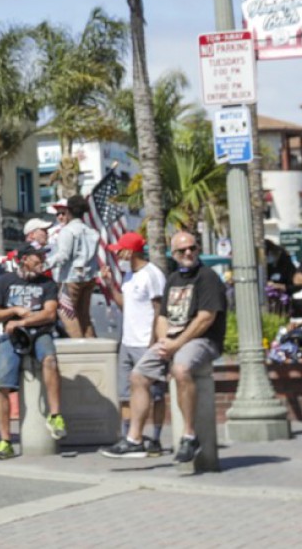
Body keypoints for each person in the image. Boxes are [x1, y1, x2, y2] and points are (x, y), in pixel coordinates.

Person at [130, 229, 227, 466]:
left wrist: (175, 345)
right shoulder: (173, 279)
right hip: (172, 340)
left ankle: (189, 436)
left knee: (181, 370)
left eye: (192, 248)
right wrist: (164, 342)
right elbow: (162, 316)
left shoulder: (207, 277)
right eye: (182, 250)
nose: (188, 253)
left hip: (202, 340)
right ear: (173, 254)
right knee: (138, 375)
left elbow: (206, 318)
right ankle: (133, 439)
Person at [0, 245, 66, 458]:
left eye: (43, 256)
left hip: (40, 333)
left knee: (50, 360)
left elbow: (50, 314)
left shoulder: (47, 283)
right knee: (0, 384)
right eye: (38, 256)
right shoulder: (4, 281)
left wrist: (20, 321)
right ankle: (5, 441)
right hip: (12, 337)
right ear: (24, 259)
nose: (42, 260)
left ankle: (55, 415)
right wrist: (13, 310)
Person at [99, 231, 170, 459]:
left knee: (155, 393)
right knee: (125, 394)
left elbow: (160, 309)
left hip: (145, 343)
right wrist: (111, 285)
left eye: (120, 250)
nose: (117, 254)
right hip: (128, 342)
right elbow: (125, 306)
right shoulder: (129, 275)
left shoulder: (152, 275)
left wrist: (154, 341)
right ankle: (129, 436)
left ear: (131, 251)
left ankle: (156, 438)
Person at [50, 195, 102, 339]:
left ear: (68, 211)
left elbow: (63, 256)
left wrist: (44, 264)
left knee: (67, 313)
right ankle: (92, 346)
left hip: (70, 278)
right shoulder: (92, 232)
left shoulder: (68, 231)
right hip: (89, 277)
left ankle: (78, 348)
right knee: (84, 315)